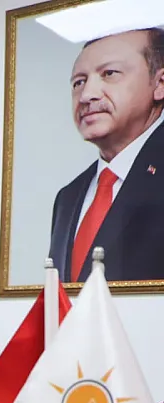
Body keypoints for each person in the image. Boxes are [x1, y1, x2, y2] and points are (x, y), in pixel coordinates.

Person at [49, 27, 164, 284]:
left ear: (159, 84)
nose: (86, 95)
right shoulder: (67, 197)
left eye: (109, 73)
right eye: (79, 82)